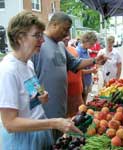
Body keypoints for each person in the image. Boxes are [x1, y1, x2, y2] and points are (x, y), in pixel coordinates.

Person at [0, 11, 82, 150]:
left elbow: (34, 94)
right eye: (37, 35)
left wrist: (41, 95)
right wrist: (54, 123)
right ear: (20, 37)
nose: (43, 40)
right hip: (23, 141)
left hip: (39, 133)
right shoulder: (8, 71)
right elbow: (10, 124)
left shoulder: (28, 63)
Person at [31, 12, 107, 140]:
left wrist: (95, 61)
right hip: (43, 114)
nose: (67, 34)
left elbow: (75, 64)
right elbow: (29, 76)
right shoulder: (39, 44)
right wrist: (38, 97)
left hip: (60, 109)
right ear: (54, 24)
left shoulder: (61, 45)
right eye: (65, 29)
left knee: (59, 142)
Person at [63, 35, 84, 117]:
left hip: (77, 91)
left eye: (68, 34)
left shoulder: (73, 50)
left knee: (79, 116)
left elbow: (78, 68)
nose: (67, 37)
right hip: (66, 94)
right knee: (68, 118)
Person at [76, 32, 98, 103]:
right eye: (91, 44)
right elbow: (79, 70)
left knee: (85, 101)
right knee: (82, 103)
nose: (92, 46)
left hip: (87, 80)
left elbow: (86, 64)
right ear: (85, 41)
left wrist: (93, 66)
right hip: (82, 82)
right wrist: (91, 71)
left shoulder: (86, 50)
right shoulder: (78, 51)